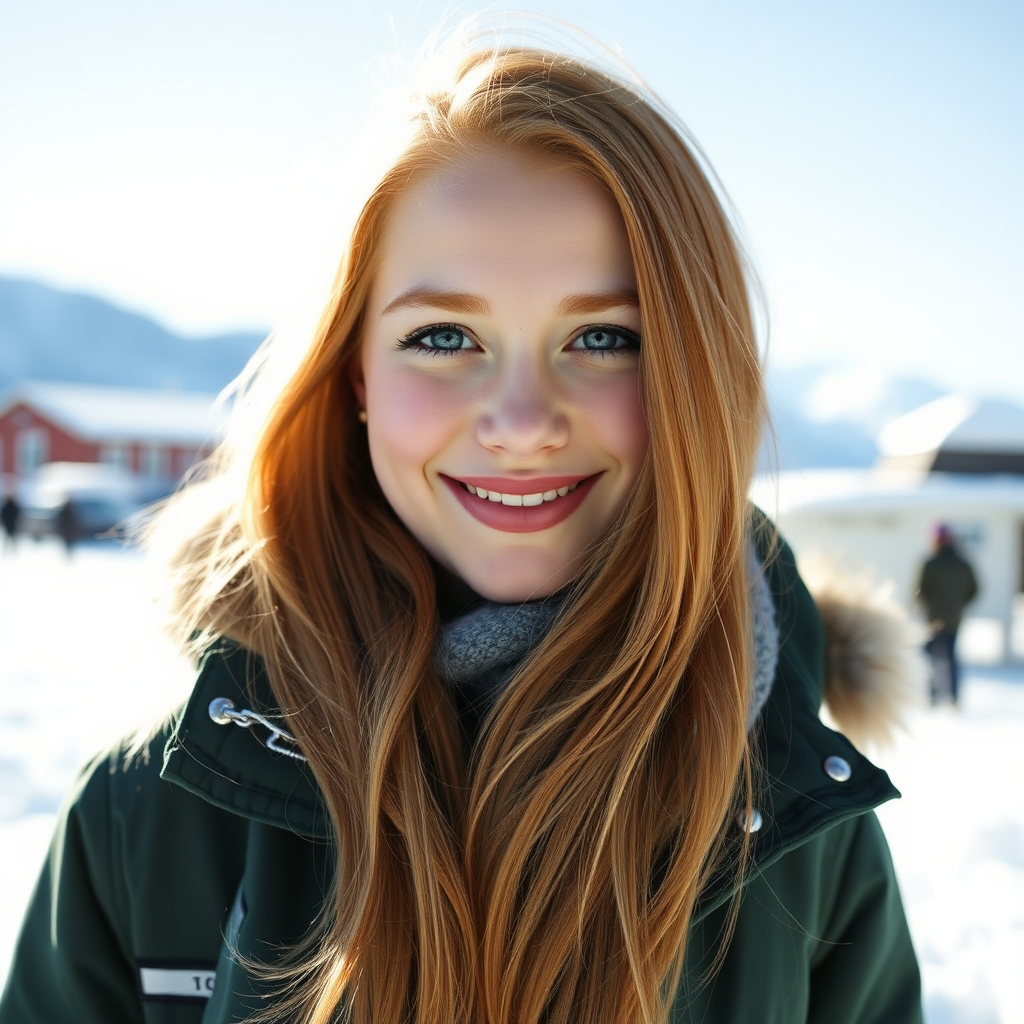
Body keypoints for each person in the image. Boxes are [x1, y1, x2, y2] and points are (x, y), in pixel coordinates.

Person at [0, 30, 924, 1024]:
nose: (522, 422)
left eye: (603, 338)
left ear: (694, 377)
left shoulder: (799, 837)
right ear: (355, 372)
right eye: (443, 336)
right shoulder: (149, 819)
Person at [916, 523, 979, 706]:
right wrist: (959, 604)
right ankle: (953, 698)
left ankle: (933, 697)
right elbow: (974, 589)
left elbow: (920, 591)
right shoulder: (963, 563)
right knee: (950, 657)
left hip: (932, 619)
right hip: (954, 618)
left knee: (931, 658)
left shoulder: (930, 563)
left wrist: (927, 606)